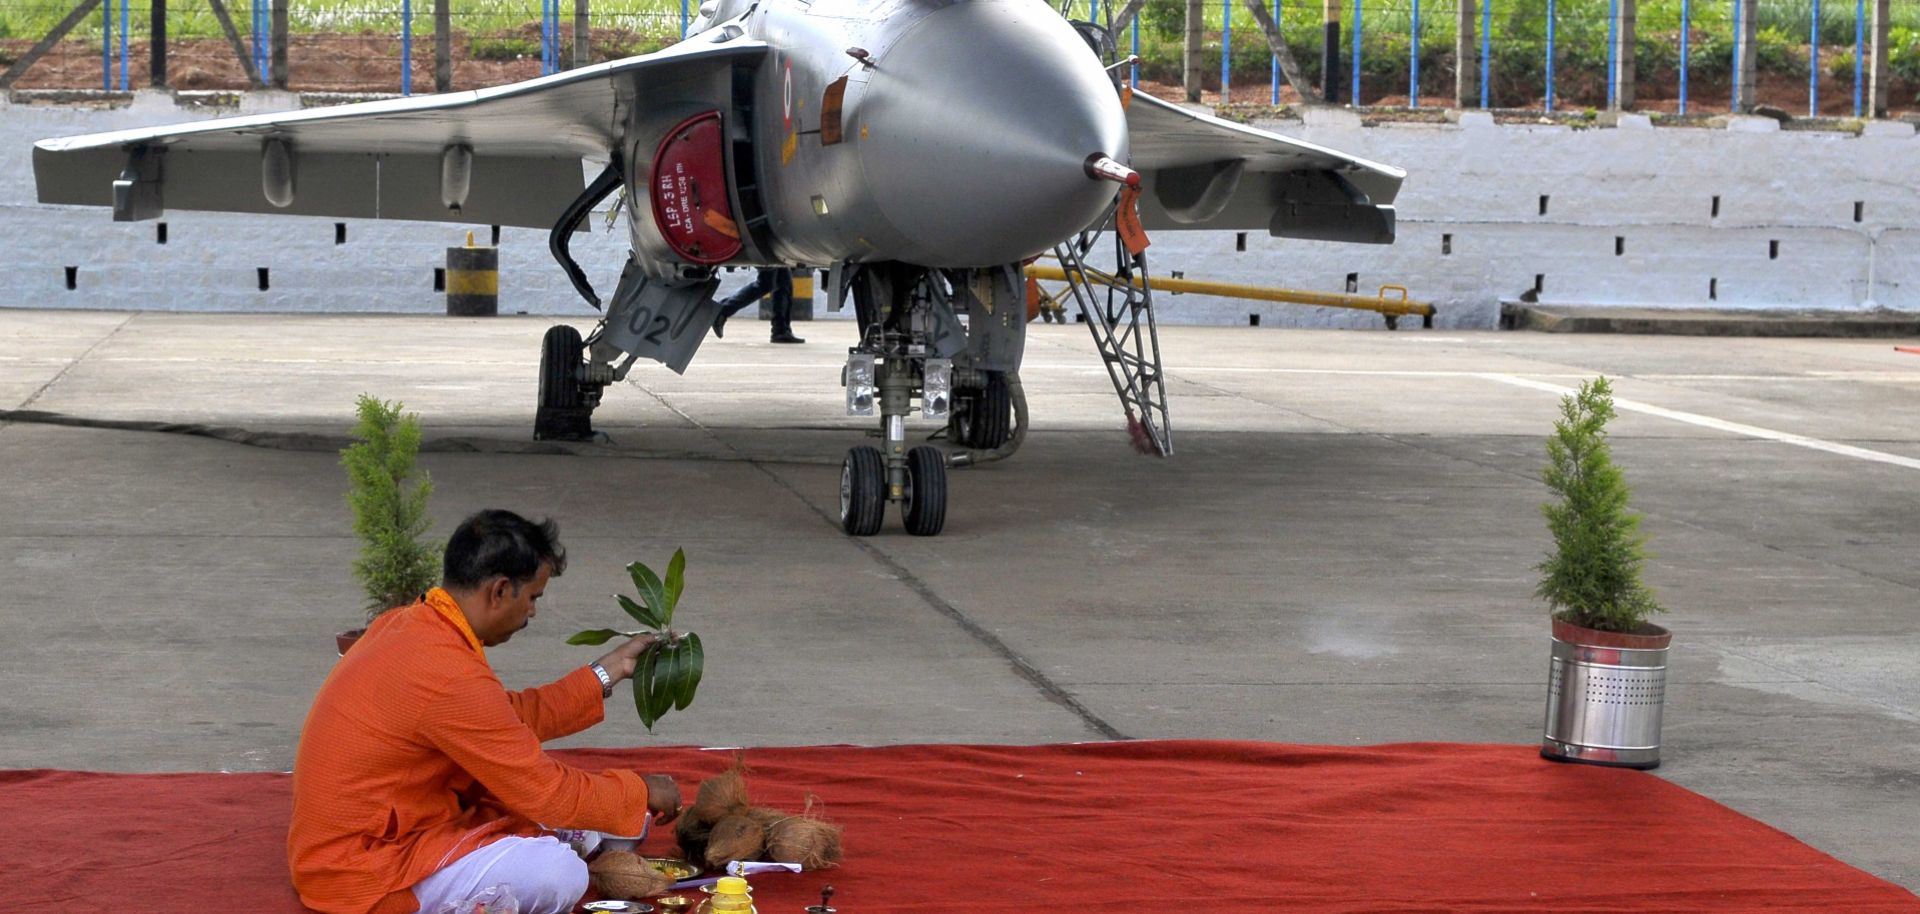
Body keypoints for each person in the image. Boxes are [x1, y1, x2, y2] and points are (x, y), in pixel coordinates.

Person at [289, 509, 683, 914]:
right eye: (532, 598)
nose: (532, 613)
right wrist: (640, 790)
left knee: (603, 820)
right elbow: (547, 791)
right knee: (560, 872)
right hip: (359, 869)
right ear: (499, 591)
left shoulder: (412, 624)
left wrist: (610, 670)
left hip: (370, 834)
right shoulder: (445, 670)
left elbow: (502, 718)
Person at [713, 267, 804, 344]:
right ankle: (723, 310)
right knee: (766, 283)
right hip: (768, 248)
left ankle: (780, 330)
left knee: (783, 282)